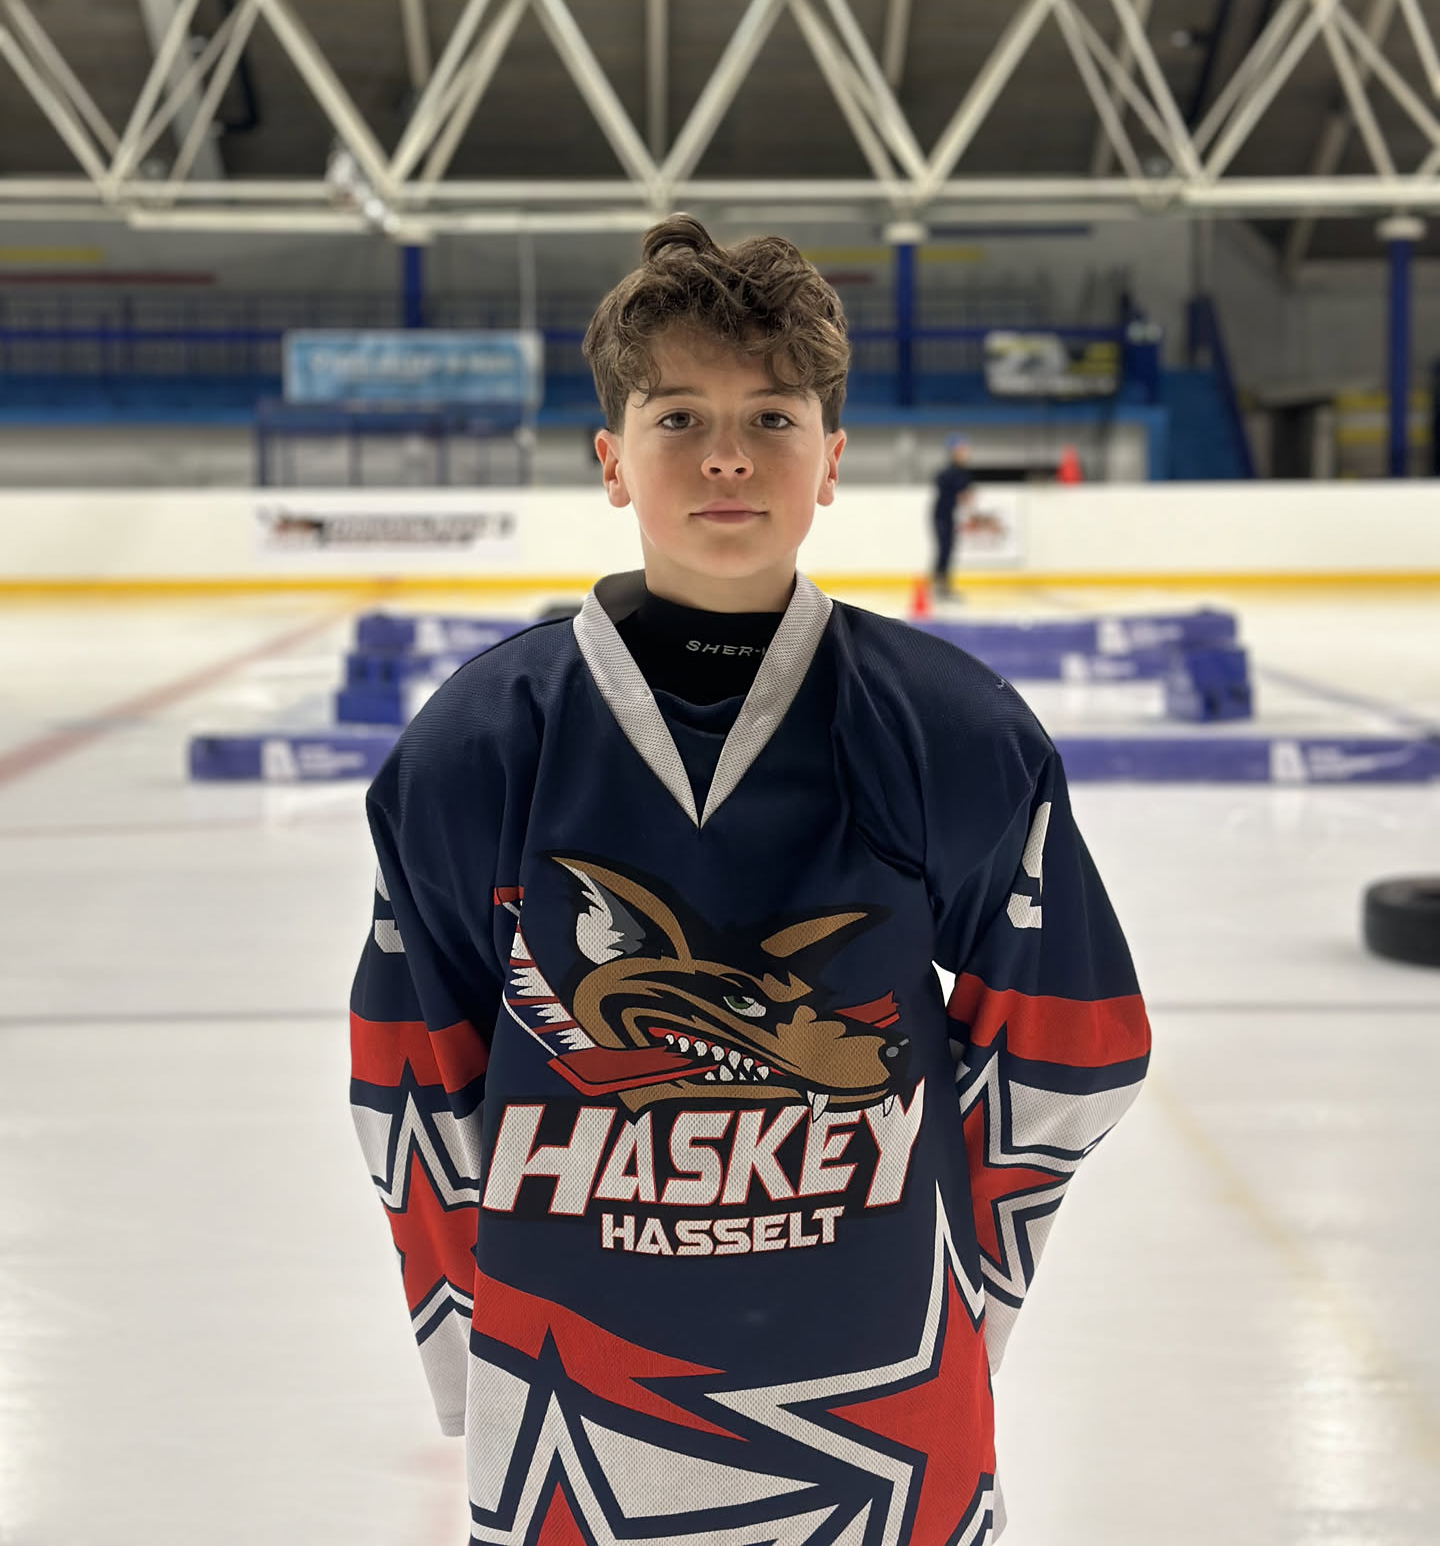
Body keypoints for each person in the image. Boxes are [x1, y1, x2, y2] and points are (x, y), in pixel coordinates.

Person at [349, 215, 1149, 1544]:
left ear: (830, 460)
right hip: (570, 1430)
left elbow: (1075, 1035)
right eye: (678, 417)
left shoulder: (948, 730)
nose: (726, 455)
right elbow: (412, 1068)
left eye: (772, 417)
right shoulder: (481, 747)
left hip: (884, 1419)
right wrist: (476, 1347)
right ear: (612, 459)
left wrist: (956, 1299)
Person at [931, 434, 974, 598]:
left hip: (949, 515)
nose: (965, 453)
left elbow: (965, 495)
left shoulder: (962, 472)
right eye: (961, 450)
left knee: (948, 549)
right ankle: (939, 586)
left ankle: (943, 586)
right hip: (941, 515)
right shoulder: (948, 472)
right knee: (944, 549)